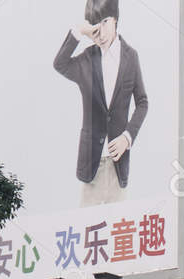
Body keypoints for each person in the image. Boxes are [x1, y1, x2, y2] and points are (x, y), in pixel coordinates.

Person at [54, 0, 148, 206]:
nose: (102, 32)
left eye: (105, 22)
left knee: (118, 230)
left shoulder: (131, 57)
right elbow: (59, 63)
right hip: (91, 167)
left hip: (118, 165)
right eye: (96, 25)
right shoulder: (87, 59)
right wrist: (80, 31)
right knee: (88, 232)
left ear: (115, 19)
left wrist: (128, 136)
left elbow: (142, 102)